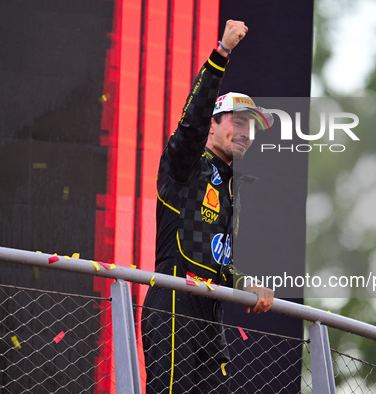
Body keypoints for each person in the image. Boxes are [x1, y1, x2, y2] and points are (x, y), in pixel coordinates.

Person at [141, 20, 274, 393]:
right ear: (213, 126)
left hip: (209, 319)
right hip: (173, 305)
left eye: (252, 127)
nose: (246, 132)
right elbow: (190, 124)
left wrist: (246, 284)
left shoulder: (233, 188)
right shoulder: (186, 165)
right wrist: (222, 52)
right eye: (238, 122)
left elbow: (216, 258)